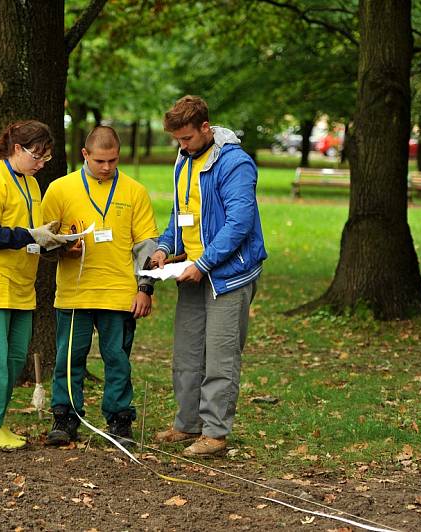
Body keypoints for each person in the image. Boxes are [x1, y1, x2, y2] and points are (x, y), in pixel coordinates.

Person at [149, 96, 267, 457]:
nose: (181, 146)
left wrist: (203, 264)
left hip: (226, 276)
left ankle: (215, 432)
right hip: (190, 272)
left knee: (220, 356)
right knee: (186, 354)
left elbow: (238, 224)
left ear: (205, 128)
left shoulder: (235, 163)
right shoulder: (184, 160)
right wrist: (165, 248)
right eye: (177, 141)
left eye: (186, 138)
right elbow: (180, 214)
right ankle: (187, 425)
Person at [41, 126, 159, 449]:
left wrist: (145, 288)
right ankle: (65, 417)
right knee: (69, 357)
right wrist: (64, 249)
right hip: (75, 293)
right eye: (100, 161)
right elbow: (42, 242)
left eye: (113, 161)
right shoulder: (60, 190)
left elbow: (147, 246)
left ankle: (120, 420)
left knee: (117, 359)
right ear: (85, 155)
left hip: (120, 293)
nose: (107, 167)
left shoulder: (135, 191)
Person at [0, 120, 68, 450]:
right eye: (36, 156)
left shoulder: (32, 184)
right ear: (17, 149)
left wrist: (50, 241)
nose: (40, 164)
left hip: (22, 285)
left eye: (46, 159)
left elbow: (26, 235)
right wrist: (31, 235)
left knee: (14, 356)